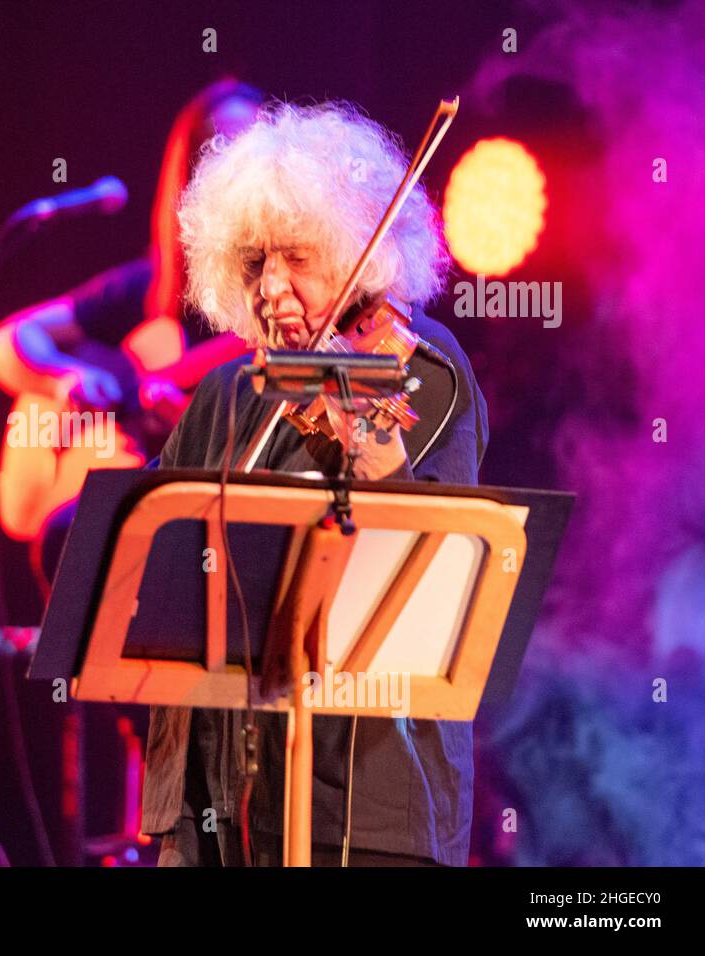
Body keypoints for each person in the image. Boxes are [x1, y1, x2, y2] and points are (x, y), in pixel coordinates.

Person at [143, 100, 489, 867]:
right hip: (213, 807)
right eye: (254, 261)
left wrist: (370, 448)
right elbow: (144, 555)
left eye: (296, 257)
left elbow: (413, 559)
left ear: (356, 252)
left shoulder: (417, 367)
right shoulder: (226, 395)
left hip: (360, 809)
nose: (270, 286)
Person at [0, 80, 264, 590]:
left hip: (219, 520)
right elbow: (4, 344)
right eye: (219, 151)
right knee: (70, 538)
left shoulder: (277, 302)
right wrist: (67, 380)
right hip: (139, 508)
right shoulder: (151, 286)